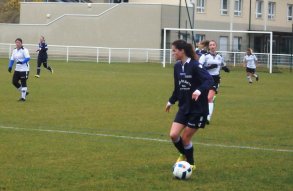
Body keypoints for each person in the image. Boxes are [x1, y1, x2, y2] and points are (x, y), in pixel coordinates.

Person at [165, 39, 213, 171]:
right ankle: (185, 155)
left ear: (182, 51)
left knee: (185, 138)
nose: (173, 53)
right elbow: (178, 87)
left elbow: (209, 80)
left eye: (174, 51)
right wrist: (171, 101)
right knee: (173, 135)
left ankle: (191, 164)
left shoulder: (195, 65)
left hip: (198, 109)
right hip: (184, 107)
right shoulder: (176, 66)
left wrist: (199, 90)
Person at [199, 40, 230, 124]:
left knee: (209, 98)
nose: (212, 46)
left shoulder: (219, 56)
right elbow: (199, 67)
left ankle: (207, 117)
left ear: (216, 46)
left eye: (213, 45)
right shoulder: (204, 56)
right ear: (209, 47)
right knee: (203, 99)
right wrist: (209, 67)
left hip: (215, 79)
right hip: (205, 79)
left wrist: (225, 68)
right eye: (210, 45)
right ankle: (202, 114)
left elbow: (223, 65)